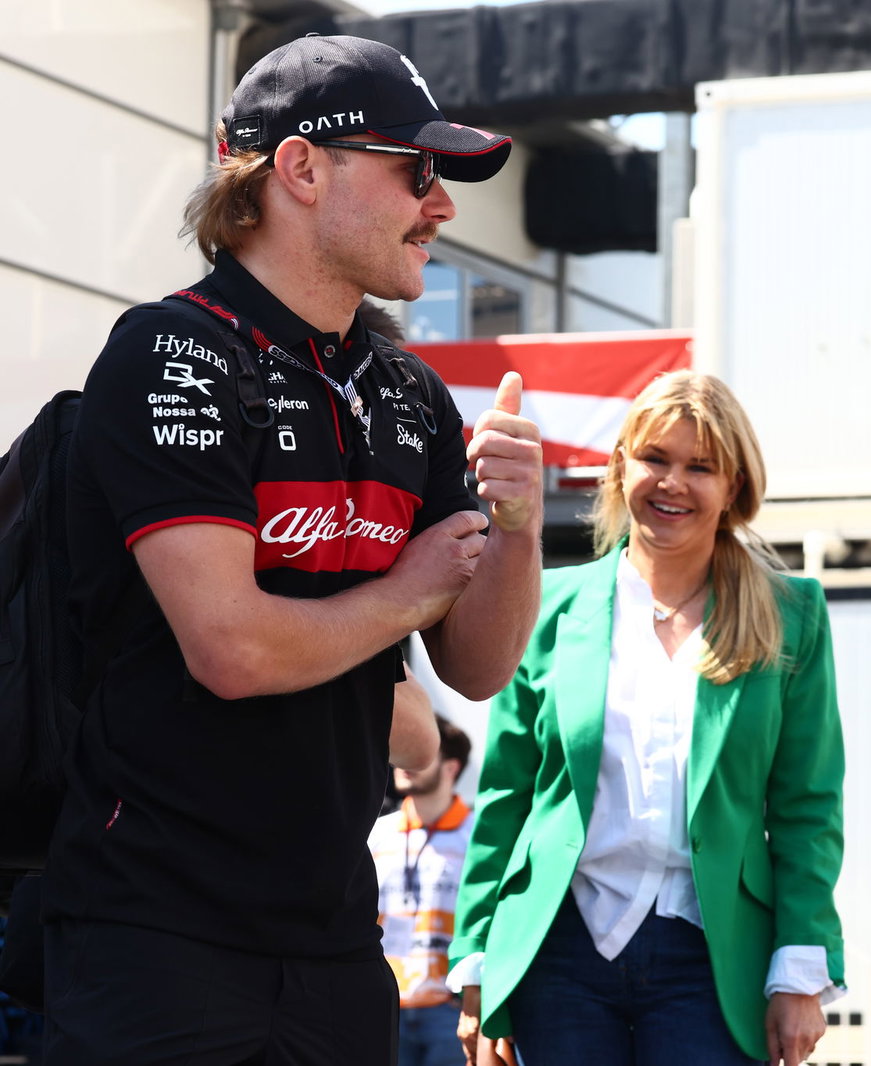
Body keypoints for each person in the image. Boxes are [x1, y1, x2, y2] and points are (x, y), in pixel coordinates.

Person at [48, 34, 544, 1066]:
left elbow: (479, 666)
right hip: (152, 933)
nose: (441, 206)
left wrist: (518, 527)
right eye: (416, 170)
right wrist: (409, 592)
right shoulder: (171, 352)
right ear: (302, 169)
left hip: (336, 942)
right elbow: (232, 649)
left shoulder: (409, 392)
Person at [450, 370, 846, 1066]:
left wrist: (801, 968)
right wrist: (479, 959)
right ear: (620, 466)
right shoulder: (545, 604)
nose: (673, 483)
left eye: (701, 467)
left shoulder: (793, 615)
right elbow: (506, 794)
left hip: (714, 958)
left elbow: (807, 809)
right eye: (655, 458)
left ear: (734, 488)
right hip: (558, 955)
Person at [371, 713, 477, 1066]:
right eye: (402, 750)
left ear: (451, 768)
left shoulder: (478, 836)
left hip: (450, 1011)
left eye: (420, 752)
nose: (405, 761)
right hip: (382, 1008)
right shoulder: (375, 834)